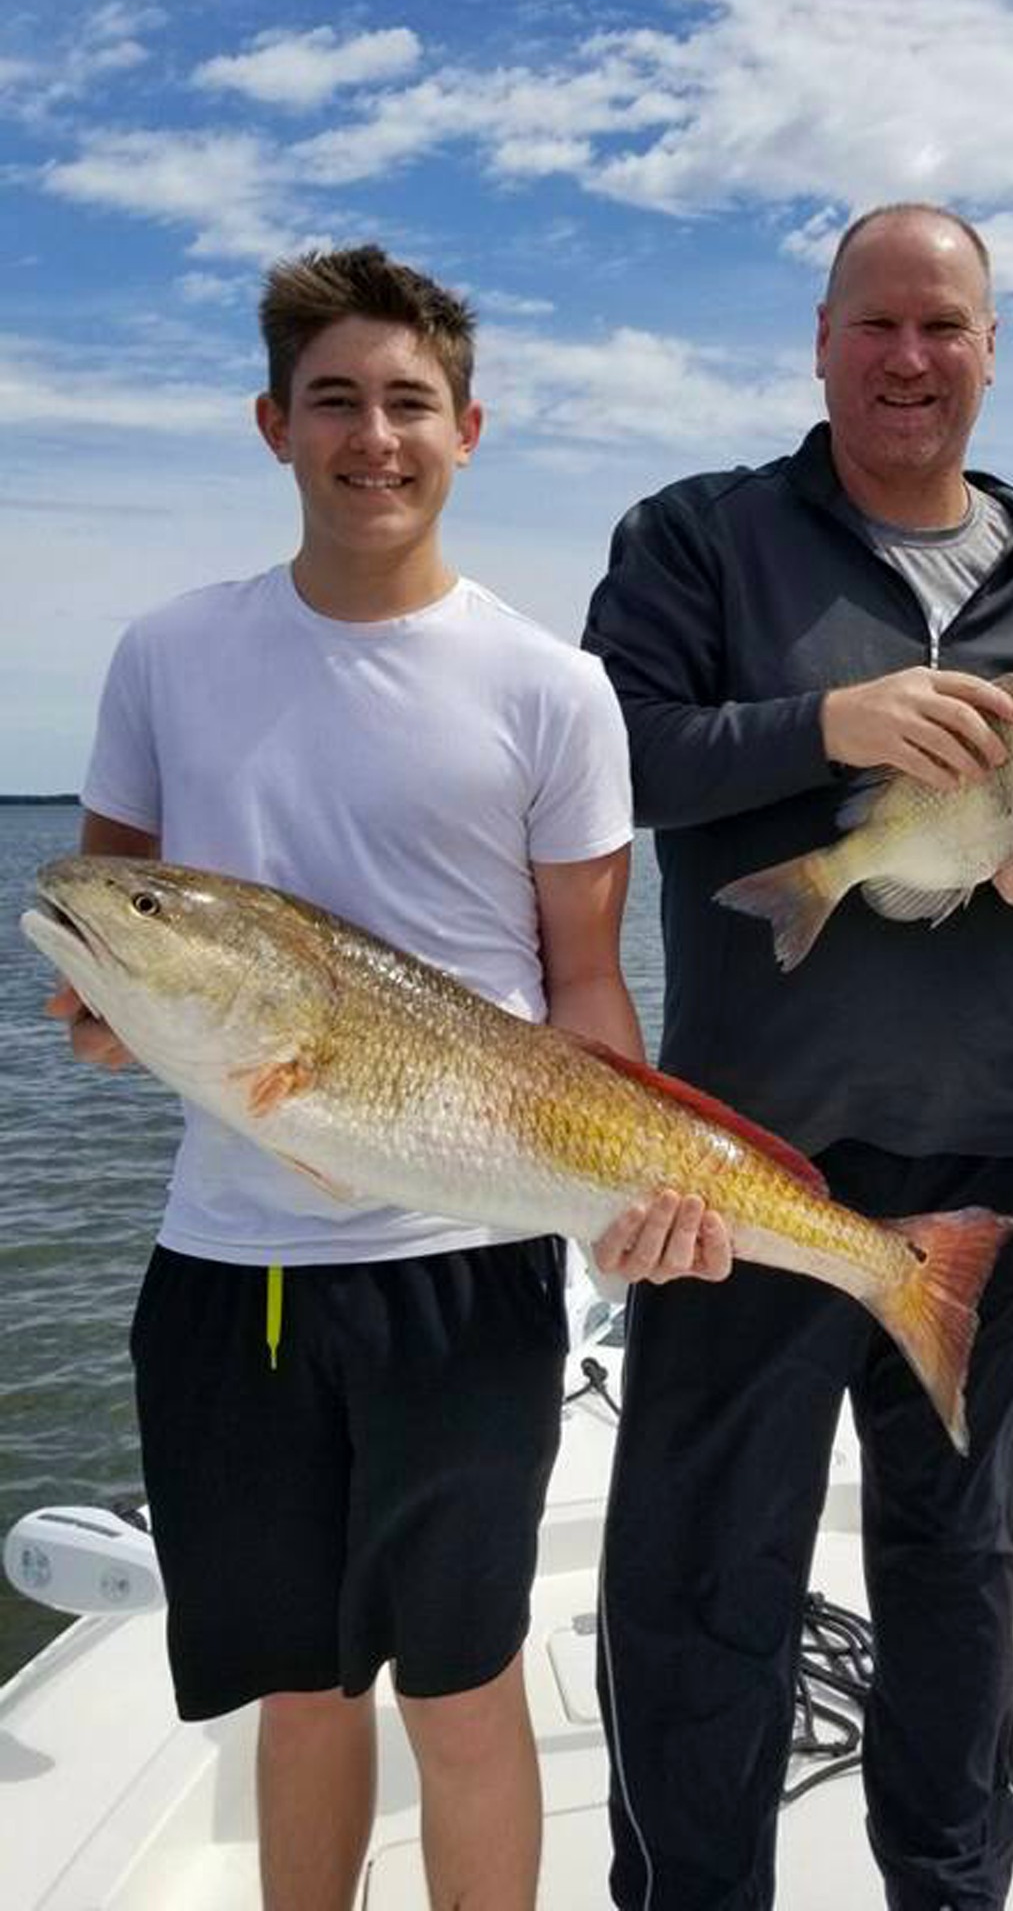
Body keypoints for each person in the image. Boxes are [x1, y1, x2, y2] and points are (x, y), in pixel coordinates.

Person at [47, 244, 731, 1911]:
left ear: (468, 430)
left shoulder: (553, 687)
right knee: (300, 1693)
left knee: (464, 1689)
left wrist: (647, 1192)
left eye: (409, 403)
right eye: (335, 401)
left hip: (465, 1267)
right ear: (272, 423)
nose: (375, 437)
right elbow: (102, 911)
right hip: (229, 1271)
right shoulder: (168, 654)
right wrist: (103, 1014)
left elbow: (584, 987)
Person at [582, 201, 1013, 1911]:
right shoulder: (699, 537)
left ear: (992, 351)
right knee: (702, 1572)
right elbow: (609, 756)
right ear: (821, 340)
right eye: (878, 324)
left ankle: (951, 1892)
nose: (911, 358)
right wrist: (828, 724)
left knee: (957, 1563)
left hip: (993, 1148)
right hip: (737, 1159)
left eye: (943, 326)